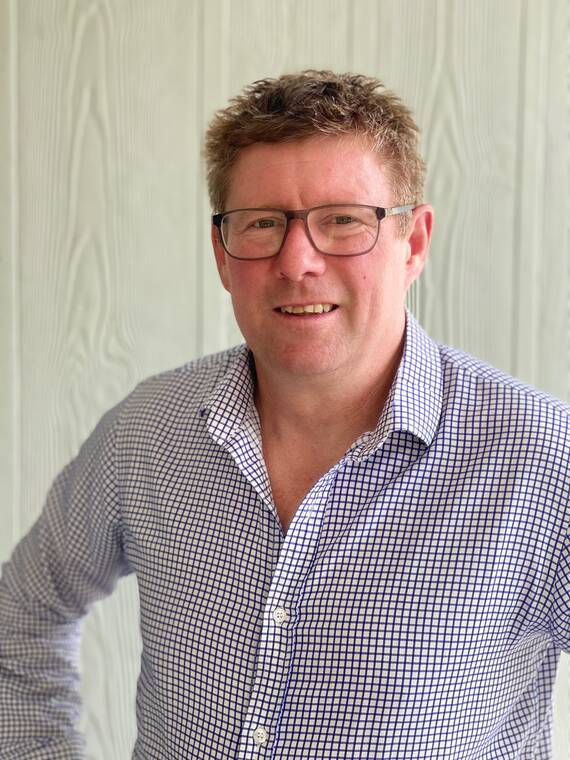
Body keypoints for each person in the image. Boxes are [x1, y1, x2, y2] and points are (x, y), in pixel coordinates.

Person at [1, 70, 569, 760]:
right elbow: (24, 610)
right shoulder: (147, 430)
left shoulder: (541, 457)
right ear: (222, 254)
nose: (297, 261)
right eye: (263, 223)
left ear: (413, 242)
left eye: (344, 221)